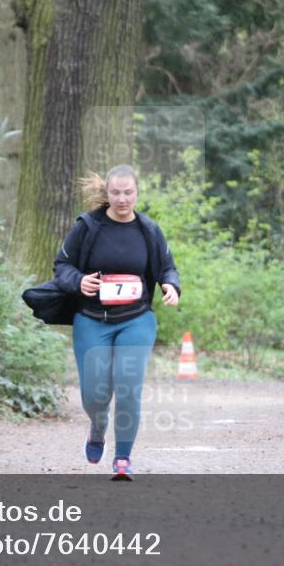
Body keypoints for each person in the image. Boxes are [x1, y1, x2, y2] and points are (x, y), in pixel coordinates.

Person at [53, 164, 181, 480]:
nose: (122, 199)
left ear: (137, 192)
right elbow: (63, 265)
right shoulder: (88, 227)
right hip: (91, 320)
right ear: (107, 193)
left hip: (136, 320)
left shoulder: (149, 230)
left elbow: (168, 267)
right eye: (116, 193)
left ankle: (123, 458)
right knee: (94, 396)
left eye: (128, 193)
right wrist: (78, 281)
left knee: (128, 387)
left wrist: (171, 286)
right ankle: (98, 425)